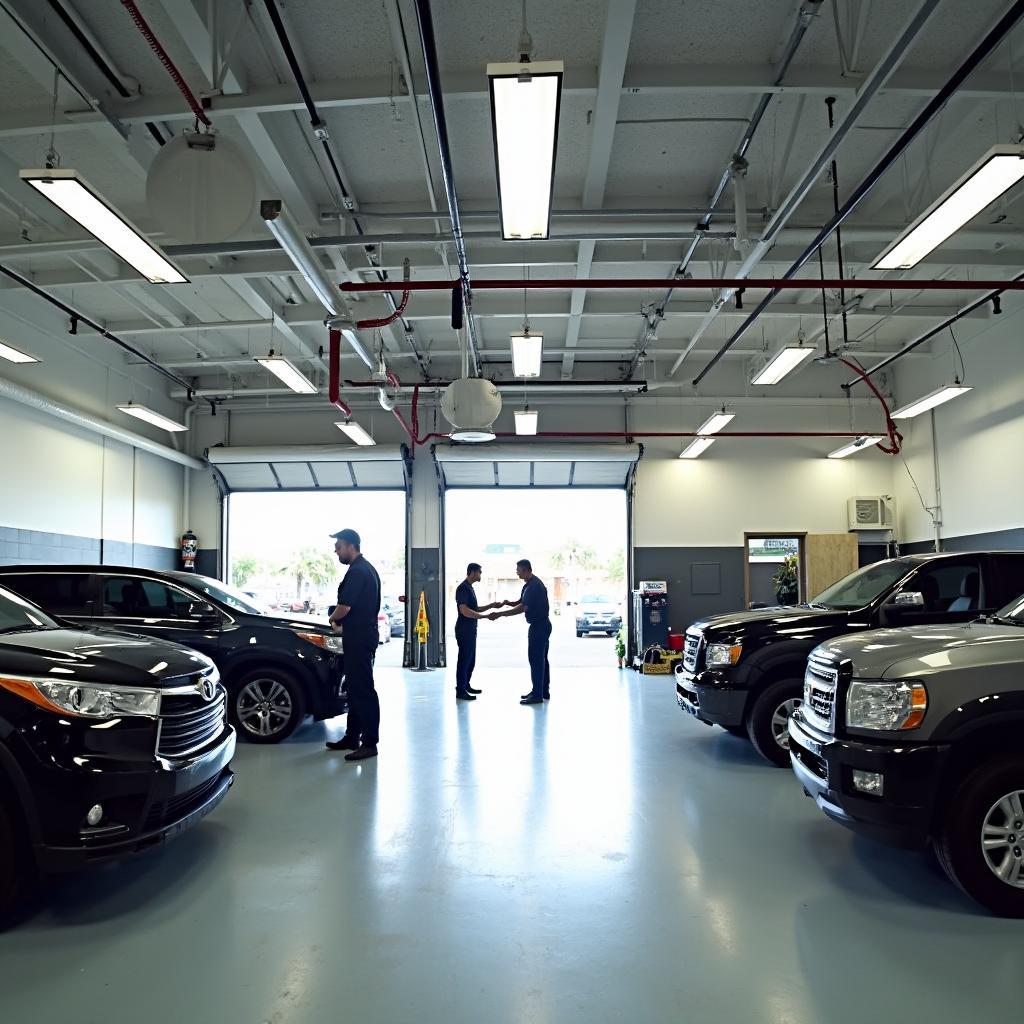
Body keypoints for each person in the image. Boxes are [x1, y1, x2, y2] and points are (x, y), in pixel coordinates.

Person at [325, 528, 382, 761]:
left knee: (363, 690)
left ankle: (369, 743)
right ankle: (352, 736)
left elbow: (345, 606)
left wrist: (333, 619)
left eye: (338, 546)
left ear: (351, 546)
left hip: (359, 638)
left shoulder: (358, 571)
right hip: (359, 636)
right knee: (355, 689)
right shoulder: (364, 568)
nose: (335, 550)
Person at [489, 558, 551, 705]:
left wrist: (501, 614)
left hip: (539, 626)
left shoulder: (534, 586)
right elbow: (521, 601)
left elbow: (523, 608)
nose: (516, 572)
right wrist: (507, 603)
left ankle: (537, 695)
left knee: (536, 660)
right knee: (541, 659)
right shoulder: (529, 584)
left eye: (518, 570)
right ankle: (542, 690)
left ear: (526, 570)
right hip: (541, 625)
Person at [454, 563, 502, 702]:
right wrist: (485, 617)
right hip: (464, 629)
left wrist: (491, 605)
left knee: (470, 660)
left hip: (470, 629)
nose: (481, 574)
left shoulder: (470, 588)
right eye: (480, 572)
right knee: (464, 660)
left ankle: (465, 685)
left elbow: (475, 608)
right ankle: (460, 690)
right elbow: (464, 610)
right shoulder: (463, 588)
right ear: (473, 572)